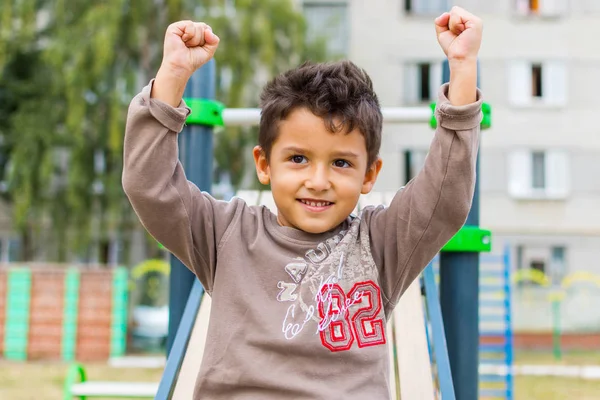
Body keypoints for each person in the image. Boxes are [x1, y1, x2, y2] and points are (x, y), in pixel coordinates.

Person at [122, 6, 483, 400]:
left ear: (368, 175)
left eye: (341, 163)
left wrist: (462, 71)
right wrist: (173, 76)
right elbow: (150, 185)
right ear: (264, 164)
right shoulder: (225, 234)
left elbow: (445, 196)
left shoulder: (381, 245)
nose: (318, 180)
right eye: (298, 159)